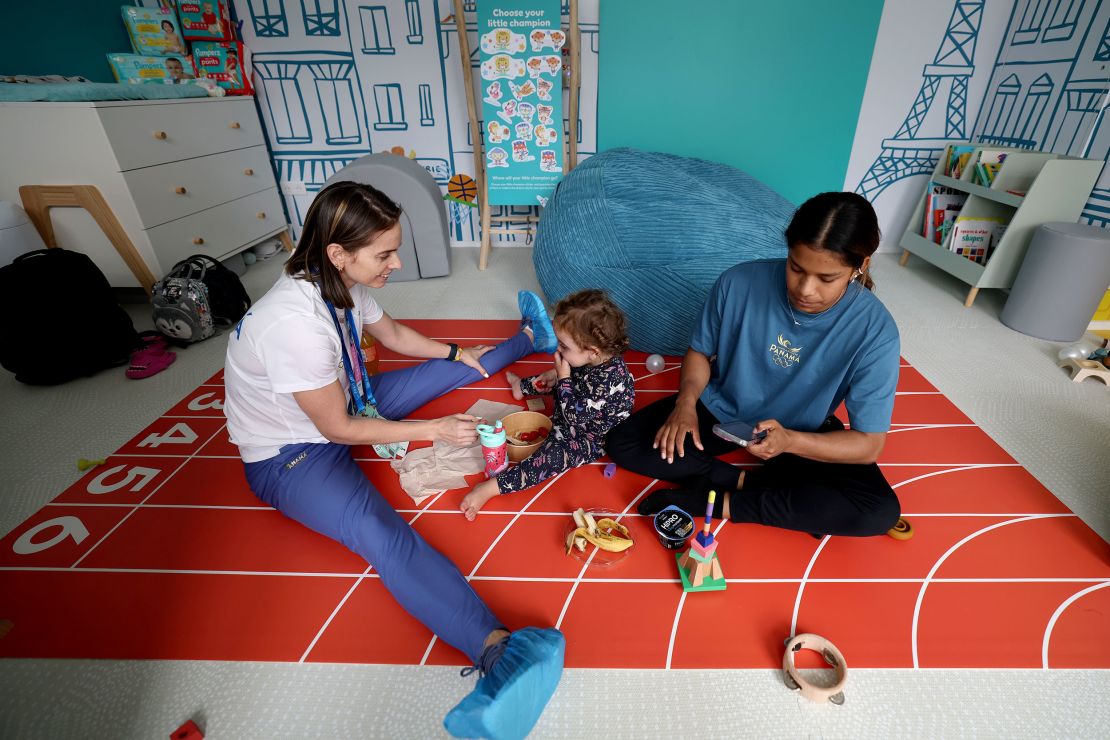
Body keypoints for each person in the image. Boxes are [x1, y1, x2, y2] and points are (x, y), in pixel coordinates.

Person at [223, 181, 565, 738]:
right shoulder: (296, 327)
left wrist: (456, 353)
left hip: (346, 400)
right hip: (291, 457)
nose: (397, 262)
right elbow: (336, 428)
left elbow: (396, 333)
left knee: (450, 367)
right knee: (384, 537)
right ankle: (495, 649)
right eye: (384, 254)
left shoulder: (335, 280)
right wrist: (434, 428)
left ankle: (531, 336)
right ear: (338, 252)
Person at [607, 191, 902, 538]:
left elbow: (869, 443)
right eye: (796, 267)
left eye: (827, 279)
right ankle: (740, 479)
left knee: (878, 511)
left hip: (801, 431)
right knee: (624, 443)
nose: (806, 289)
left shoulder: (876, 330)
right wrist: (685, 405)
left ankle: (718, 502)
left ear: (860, 265)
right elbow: (700, 352)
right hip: (722, 411)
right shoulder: (738, 283)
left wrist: (790, 441)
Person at [460, 289, 635, 519]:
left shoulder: (608, 379)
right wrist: (560, 376)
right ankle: (521, 387)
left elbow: (574, 416)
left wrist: (564, 379)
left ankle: (491, 488)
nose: (557, 349)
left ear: (592, 352)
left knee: (550, 458)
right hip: (576, 403)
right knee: (551, 377)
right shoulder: (595, 357)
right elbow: (577, 377)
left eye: (564, 346)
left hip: (590, 437)